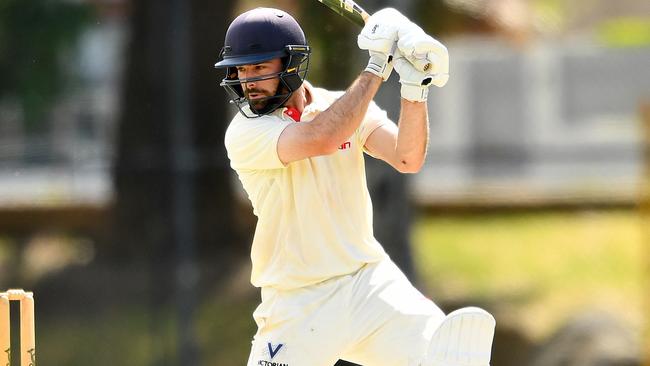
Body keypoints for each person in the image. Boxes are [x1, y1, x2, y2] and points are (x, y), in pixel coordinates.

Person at [214, 7, 496, 366]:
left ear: (291, 63)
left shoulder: (341, 107)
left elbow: (406, 157)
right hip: (300, 302)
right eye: (240, 69)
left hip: (368, 283)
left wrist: (414, 87)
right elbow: (324, 136)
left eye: (258, 67)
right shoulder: (245, 132)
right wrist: (378, 65)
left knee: (446, 356)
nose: (247, 81)